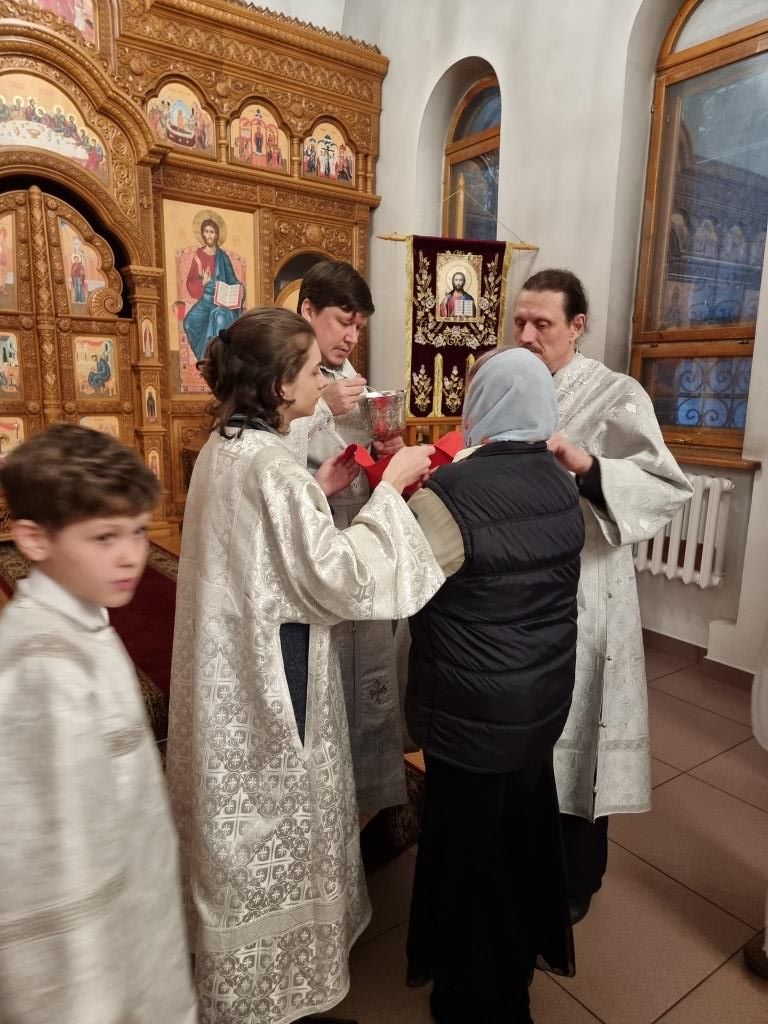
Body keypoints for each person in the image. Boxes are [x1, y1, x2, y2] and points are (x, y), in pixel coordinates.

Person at [165, 307, 444, 1024]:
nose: (325, 381)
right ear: (278, 386)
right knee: (281, 809)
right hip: (274, 676)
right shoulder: (271, 468)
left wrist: (315, 490)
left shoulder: (226, 448)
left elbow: (261, 550)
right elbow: (338, 578)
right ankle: (276, 991)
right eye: (315, 370)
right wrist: (391, 490)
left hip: (230, 668)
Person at [404, 347, 584, 1024]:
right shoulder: (561, 481)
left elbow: (401, 585)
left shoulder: (450, 494)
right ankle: (515, 979)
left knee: (468, 853)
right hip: (538, 703)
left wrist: (397, 499)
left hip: (471, 712)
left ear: (484, 404)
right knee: (520, 839)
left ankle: (472, 997)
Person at [512, 268, 694, 922]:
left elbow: (665, 487)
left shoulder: (617, 393)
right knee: (525, 738)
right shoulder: (509, 384)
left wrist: (589, 468)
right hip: (516, 597)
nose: (526, 336)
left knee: (580, 726)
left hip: (586, 589)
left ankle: (573, 882)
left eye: (542, 324)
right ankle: (519, 863)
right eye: (519, 322)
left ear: (577, 327)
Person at [0, 423, 196, 1024]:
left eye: (137, 531)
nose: (132, 554)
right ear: (34, 538)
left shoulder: (86, 619)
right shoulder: (42, 670)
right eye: (104, 536)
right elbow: (47, 874)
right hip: (89, 981)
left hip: (135, 927)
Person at [290, 259, 408, 821]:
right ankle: (323, 809)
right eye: (343, 321)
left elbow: (366, 465)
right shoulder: (277, 373)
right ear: (308, 310)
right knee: (327, 680)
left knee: (370, 677)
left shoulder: (352, 382)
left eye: (359, 326)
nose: (351, 337)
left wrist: (389, 449)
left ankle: (367, 801)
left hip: (360, 538)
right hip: (315, 550)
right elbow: (267, 462)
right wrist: (320, 408)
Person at [183, 217, 244, 360]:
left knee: (220, 319)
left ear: (216, 235)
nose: (209, 235)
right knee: (189, 322)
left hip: (221, 301)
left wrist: (240, 289)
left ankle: (218, 360)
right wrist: (202, 282)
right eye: (206, 231)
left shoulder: (222, 257)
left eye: (212, 232)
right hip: (205, 300)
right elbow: (191, 281)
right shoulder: (198, 255)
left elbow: (233, 280)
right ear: (202, 233)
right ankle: (204, 359)